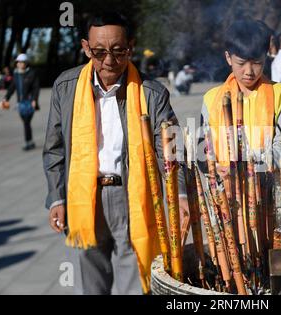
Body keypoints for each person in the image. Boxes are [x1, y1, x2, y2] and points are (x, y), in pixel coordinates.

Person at [42, 12, 188, 295]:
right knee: (88, 285)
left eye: (118, 51)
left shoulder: (152, 93)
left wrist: (179, 195)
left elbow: (172, 151)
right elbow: (54, 147)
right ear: (86, 48)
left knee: (136, 282)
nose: (109, 60)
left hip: (134, 198)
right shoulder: (66, 87)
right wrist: (56, 197)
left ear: (130, 47)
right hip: (83, 199)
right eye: (98, 52)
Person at [199, 19, 281, 175]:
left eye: (257, 63)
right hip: (226, 191)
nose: (249, 71)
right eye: (241, 63)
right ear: (228, 58)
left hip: (268, 188)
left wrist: (248, 164)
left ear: (266, 57)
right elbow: (203, 149)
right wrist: (215, 168)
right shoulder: (212, 99)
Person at [0, 53, 40, 151]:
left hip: (30, 103)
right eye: (18, 62)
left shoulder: (31, 74)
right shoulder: (16, 74)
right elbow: (12, 88)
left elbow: (36, 88)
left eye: (22, 62)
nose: (20, 64)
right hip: (20, 104)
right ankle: (30, 141)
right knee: (26, 123)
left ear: (26, 63)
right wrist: (6, 98)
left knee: (26, 121)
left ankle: (28, 143)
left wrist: (34, 100)